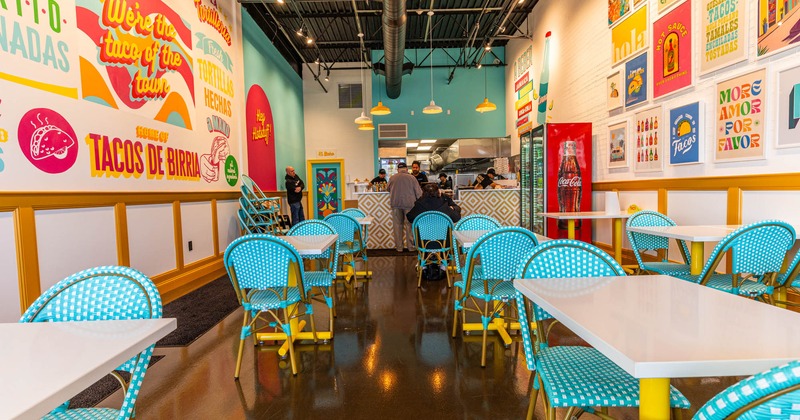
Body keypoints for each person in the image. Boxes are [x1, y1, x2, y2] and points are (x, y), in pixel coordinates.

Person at [387, 162, 422, 252]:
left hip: (396, 204)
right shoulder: (412, 178)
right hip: (409, 205)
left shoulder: (392, 178)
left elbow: (387, 189)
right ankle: (411, 247)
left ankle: (399, 247)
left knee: (397, 226)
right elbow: (419, 193)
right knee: (409, 225)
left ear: (398, 169)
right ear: (406, 169)